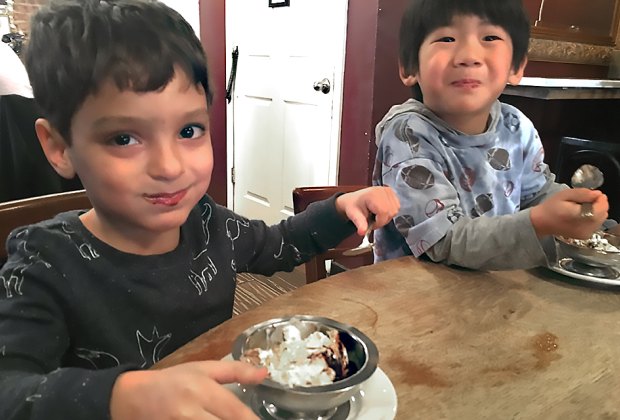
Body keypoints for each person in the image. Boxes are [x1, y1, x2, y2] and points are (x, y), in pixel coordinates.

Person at [0, 1, 400, 419]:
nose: (170, 167)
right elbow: (8, 388)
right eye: (123, 139)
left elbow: (284, 243)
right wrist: (118, 396)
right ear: (60, 147)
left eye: (189, 131)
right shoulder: (43, 262)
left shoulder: (210, 226)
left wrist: (340, 209)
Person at [372, 0, 613, 270]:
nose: (468, 55)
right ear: (409, 67)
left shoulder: (516, 126)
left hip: (497, 292)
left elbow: (537, 194)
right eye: (447, 38)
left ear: (517, 66)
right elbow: (444, 242)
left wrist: (585, 214)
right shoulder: (408, 135)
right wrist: (539, 221)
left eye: (490, 37)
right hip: (415, 299)